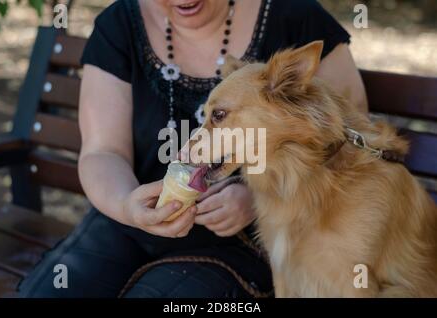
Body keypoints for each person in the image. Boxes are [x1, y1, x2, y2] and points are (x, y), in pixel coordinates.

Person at [18, 0, 367, 298]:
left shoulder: (294, 16)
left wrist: (259, 197)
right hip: (131, 227)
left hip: (250, 244)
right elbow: (102, 152)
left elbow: (349, 139)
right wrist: (127, 205)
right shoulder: (120, 24)